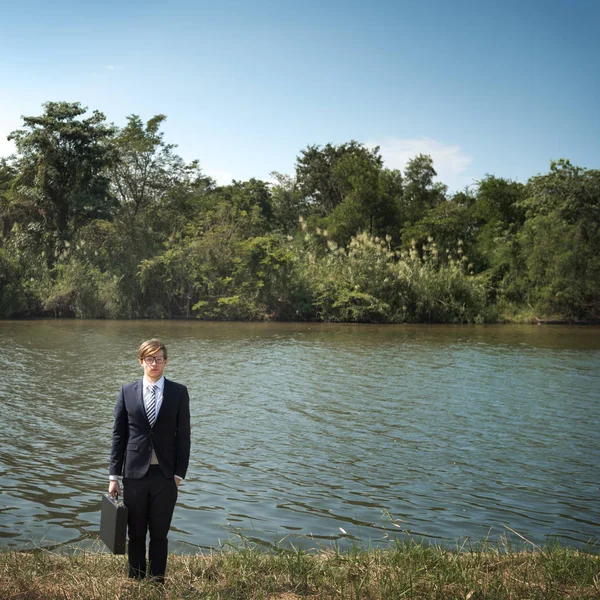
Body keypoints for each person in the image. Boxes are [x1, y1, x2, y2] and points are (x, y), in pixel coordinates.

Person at [109, 339, 191, 583]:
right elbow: (118, 435)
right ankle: (136, 581)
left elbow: (184, 436)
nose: (153, 363)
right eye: (149, 358)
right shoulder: (126, 391)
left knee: (159, 535)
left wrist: (179, 474)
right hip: (134, 474)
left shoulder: (179, 392)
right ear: (141, 361)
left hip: (166, 476)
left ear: (166, 361)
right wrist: (114, 476)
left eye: (158, 358)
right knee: (135, 534)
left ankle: (156, 583)